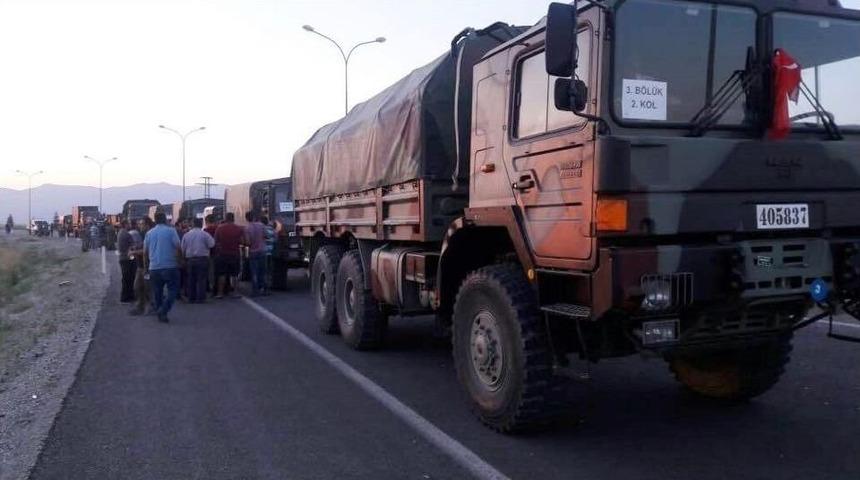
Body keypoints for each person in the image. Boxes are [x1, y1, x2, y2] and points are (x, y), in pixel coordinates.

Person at [143, 212, 181, 323]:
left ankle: (161, 312)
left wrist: (146, 267)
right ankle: (163, 310)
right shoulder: (171, 231)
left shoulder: (149, 233)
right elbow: (178, 247)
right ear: (165, 220)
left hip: (154, 267)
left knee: (157, 292)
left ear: (155, 220)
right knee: (173, 290)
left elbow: (145, 252)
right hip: (170, 266)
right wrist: (180, 260)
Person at [181, 217, 215, 303]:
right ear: (200, 224)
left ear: (192, 225)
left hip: (190, 260)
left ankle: (191, 298)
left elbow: (182, 249)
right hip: (202, 259)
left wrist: (183, 259)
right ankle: (201, 298)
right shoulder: (205, 234)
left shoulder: (186, 235)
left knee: (191, 279)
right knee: (201, 279)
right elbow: (212, 244)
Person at [214, 212, 244, 299]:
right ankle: (235, 292)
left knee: (222, 274)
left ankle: (220, 293)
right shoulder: (238, 229)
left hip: (222, 254)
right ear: (233, 218)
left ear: (225, 218)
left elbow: (215, 241)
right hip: (234, 254)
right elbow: (242, 241)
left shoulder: (219, 228)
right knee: (234, 274)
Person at [129, 218, 153, 316]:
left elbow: (146, 251)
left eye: (142, 224)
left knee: (147, 288)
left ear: (147, 224)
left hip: (147, 265)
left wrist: (134, 252)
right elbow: (141, 246)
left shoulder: (150, 234)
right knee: (137, 287)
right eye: (139, 223)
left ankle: (148, 307)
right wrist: (135, 248)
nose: (140, 225)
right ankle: (140, 306)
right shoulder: (142, 234)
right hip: (140, 265)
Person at [244, 212, 267, 296]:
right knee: (262, 271)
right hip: (262, 250)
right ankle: (263, 289)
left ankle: (255, 290)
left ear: (246, 218)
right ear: (254, 217)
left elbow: (247, 242)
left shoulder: (247, 228)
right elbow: (266, 236)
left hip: (253, 252)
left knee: (254, 272)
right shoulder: (261, 225)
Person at [116, 220, 136, 303]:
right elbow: (133, 246)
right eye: (128, 224)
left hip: (122, 258)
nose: (130, 225)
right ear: (125, 225)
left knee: (125, 278)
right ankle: (127, 296)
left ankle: (126, 296)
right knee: (129, 278)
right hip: (127, 258)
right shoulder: (127, 234)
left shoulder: (120, 233)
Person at [261, 215, 276, 293]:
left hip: (263, 252)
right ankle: (268, 286)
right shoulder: (272, 229)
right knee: (268, 271)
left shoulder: (262, 229)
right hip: (270, 252)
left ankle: (264, 287)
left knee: (263, 271)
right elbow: (275, 239)